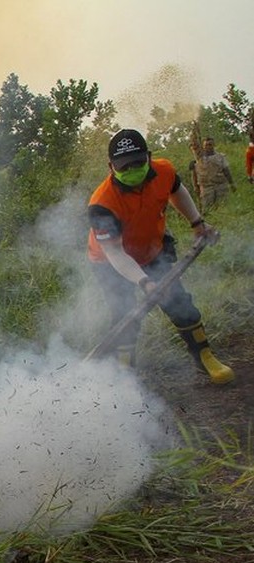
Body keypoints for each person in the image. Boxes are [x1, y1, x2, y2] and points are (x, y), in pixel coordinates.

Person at [87, 129, 234, 384]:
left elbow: (177, 191)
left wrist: (197, 223)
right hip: (111, 263)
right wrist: (145, 282)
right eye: (124, 167)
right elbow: (115, 253)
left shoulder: (163, 170)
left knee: (180, 303)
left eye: (138, 163)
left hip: (152, 250)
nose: (132, 170)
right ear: (111, 167)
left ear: (149, 157)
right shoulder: (102, 202)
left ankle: (205, 358)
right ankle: (124, 377)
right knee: (124, 315)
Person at [188, 136, 235, 209]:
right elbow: (194, 146)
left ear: (214, 145)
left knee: (223, 207)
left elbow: (226, 171)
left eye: (210, 144)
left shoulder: (220, 157)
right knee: (208, 209)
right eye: (206, 145)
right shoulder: (199, 158)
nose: (208, 147)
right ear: (203, 147)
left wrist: (232, 183)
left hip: (221, 186)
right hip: (206, 188)